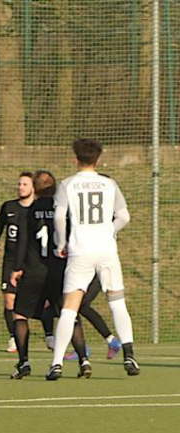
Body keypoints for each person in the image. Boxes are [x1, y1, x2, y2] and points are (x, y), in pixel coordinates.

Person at [46, 138, 139, 380]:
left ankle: (56, 364)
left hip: (80, 250)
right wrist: (109, 230)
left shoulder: (68, 184)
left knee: (69, 308)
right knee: (117, 302)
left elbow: (58, 217)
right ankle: (129, 355)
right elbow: (124, 216)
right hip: (106, 250)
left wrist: (61, 243)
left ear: (75, 159)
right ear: (98, 160)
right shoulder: (109, 184)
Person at [9, 170, 90, 379]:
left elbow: (23, 241)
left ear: (34, 188)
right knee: (70, 314)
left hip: (34, 269)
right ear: (55, 189)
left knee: (19, 314)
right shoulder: (62, 208)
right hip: (58, 270)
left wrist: (17, 267)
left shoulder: (29, 210)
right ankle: (84, 360)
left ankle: (24, 362)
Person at [0, 173, 54, 352]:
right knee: (9, 301)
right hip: (11, 260)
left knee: (44, 301)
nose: (20, 187)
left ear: (33, 187)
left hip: (33, 261)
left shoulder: (38, 209)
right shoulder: (9, 207)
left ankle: (49, 335)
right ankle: (14, 337)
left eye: (25, 184)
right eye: (19, 184)